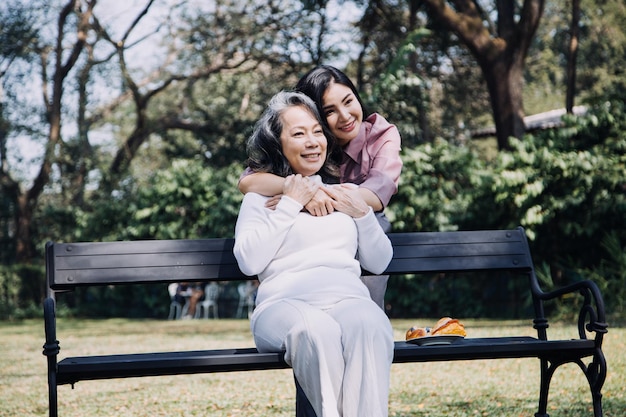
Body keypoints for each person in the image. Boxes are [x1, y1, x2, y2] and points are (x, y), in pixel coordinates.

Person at [233, 91, 394, 417]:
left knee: (371, 324)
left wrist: (361, 213)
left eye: (317, 131)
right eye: (298, 133)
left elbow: (379, 262)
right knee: (315, 329)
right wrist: (291, 201)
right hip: (282, 308)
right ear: (278, 144)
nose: (312, 142)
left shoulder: (345, 193)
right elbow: (249, 260)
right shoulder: (262, 197)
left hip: (348, 301)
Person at [238, 65, 402, 308]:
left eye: (349, 101)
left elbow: (376, 196)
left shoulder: (381, 134)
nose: (345, 116)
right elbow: (249, 181)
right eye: (330, 111)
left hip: (367, 221)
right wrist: (300, 191)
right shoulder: (311, 139)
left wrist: (314, 196)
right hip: (316, 235)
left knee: (363, 308)